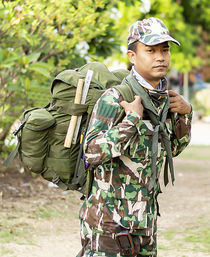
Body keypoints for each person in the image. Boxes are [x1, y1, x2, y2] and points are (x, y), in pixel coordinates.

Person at [77, 17, 192, 257]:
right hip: (108, 225)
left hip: (145, 222)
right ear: (132, 56)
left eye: (165, 50)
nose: (160, 57)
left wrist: (185, 114)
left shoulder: (163, 99)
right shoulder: (115, 98)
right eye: (150, 50)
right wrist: (131, 121)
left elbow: (172, 149)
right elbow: (91, 152)